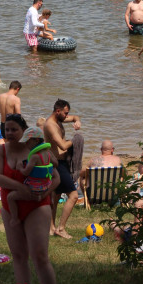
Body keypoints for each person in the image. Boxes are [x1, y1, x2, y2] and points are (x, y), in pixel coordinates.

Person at [0, 113, 59, 284]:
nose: (10, 133)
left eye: (15, 129)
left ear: (24, 131)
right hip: (10, 207)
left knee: (40, 256)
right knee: (19, 256)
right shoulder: (0, 151)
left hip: (37, 205)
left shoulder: (35, 150)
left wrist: (46, 191)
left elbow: (57, 178)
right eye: (7, 130)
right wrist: (20, 187)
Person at [44, 99, 84, 239]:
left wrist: (77, 121)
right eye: (66, 113)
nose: (68, 116)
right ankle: (60, 229)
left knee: (55, 196)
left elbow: (74, 117)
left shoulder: (59, 119)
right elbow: (62, 145)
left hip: (61, 163)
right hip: (57, 164)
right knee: (73, 195)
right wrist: (76, 140)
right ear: (58, 111)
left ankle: (51, 228)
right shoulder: (50, 125)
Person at [7, 128, 56, 226]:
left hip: (34, 188)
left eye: (27, 142)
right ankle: (51, 200)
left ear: (36, 140)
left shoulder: (34, 157)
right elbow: (56, 163)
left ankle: (14, 218)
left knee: (10, 197)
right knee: (51, 183)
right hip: (46, 186)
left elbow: (25, 173)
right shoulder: (48, 153)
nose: (25, 144)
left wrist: (20, 167)